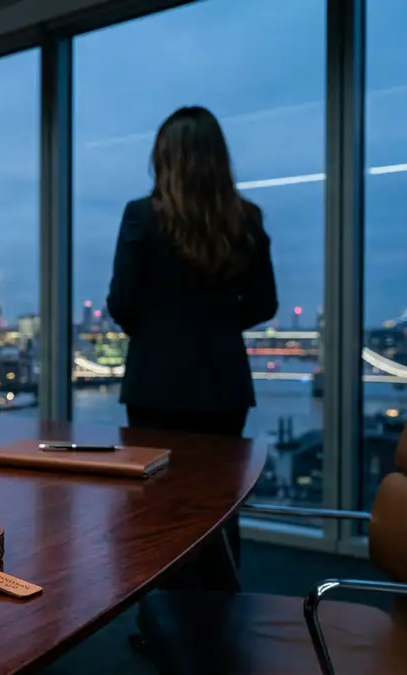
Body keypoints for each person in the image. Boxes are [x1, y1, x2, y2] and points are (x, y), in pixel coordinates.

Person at [106, 106, 278, 590]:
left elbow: (122, 302)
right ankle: (221, 611)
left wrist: (161, 328)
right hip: (223, 385)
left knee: (156, 504)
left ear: (163, 158)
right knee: (220, 502)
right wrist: (217, 325)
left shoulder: (141, 215)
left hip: (154, 382)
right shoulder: (247, 218)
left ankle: (160, 623)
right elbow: (264, 304)